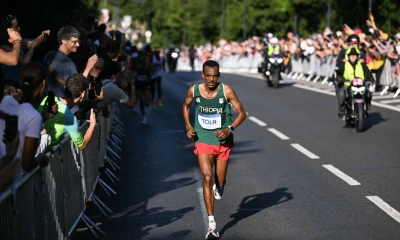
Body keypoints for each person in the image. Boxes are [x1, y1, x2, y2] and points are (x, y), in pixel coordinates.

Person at [182, 60, 247, 239]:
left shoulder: (226, 91)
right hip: (203, 138)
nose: (211, 79)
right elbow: (185, 106)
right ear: (203, 75)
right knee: (207, 177)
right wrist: (188, 125)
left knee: (220, 179)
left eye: (215, 75)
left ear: (219, 75)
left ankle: (220, 185)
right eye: (208, 75)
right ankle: (212, 224)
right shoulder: (194, 90)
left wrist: (229, 129)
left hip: (223, 141)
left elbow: (243, 113)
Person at [37, 74, 96, 149]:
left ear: (65, 87)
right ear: (83, 93)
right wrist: (92, 124)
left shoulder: (48, 98)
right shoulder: (70, 119)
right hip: (42, 153)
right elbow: (82, 145)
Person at [43, 26, 98, 98]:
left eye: (78, 42)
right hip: (62, 103)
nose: (78, 45)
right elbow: (76, 88)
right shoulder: (67, 63)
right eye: (74, 42)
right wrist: (88, 68)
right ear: (63, 40)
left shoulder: (49, 55)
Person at [336, 46, 375, 118]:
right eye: (351, 55)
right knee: (341, 93)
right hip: (347, 85)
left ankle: (366, 108)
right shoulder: (344, 64)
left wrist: (371, 79)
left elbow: (368, 72)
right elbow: (339, 72)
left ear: (357, 56)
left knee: (369, 92)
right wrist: (339, 78)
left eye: (355, 55)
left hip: (360, 85)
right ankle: (342, 110)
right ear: (348, 56)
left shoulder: (362, 64)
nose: (353, 57)